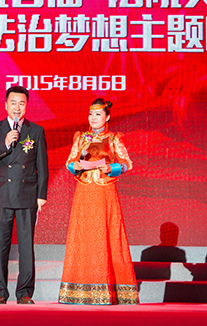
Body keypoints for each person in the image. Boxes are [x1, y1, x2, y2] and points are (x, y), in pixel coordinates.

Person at [58, 98, 139, 305]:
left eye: (98, 114)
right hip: (85, 191)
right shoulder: (81, 138)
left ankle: (109, 288)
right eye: (91, 114)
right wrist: (75, 166)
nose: (93, 118)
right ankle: (79, 289)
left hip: (105, 192)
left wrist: (111, 168)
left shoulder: (113, 139)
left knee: (105, 235)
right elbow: (69, 162)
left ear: (107, 117)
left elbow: (127, 163)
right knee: (84, 236)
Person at [0, 85, 49, 304]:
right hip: (2, 195)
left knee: (26, 247)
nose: (17, 108)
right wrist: (4, 144)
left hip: (27, 194)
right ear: (5, 105)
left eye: (21, 103)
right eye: (13, 103)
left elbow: (42, 166)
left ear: (26, 106)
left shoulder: (35, 131)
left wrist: (41, 195)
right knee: (0, 246)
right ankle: (0, 292)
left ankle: (25, 292)